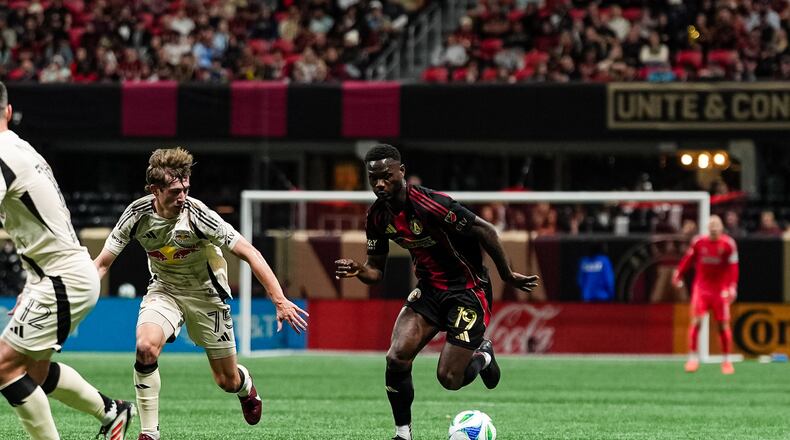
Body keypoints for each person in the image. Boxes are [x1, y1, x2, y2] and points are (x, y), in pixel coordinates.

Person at [93, 147, 308, 440]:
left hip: (207, 296)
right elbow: (102, 264)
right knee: (145, 347)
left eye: (185, 189)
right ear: (155, 190)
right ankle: (149, 433)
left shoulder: (199, 216)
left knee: (226, 381)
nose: (182, 197)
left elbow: (249, 252)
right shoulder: (136, 214)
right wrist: (74, 295)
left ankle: (246, 387)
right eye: (175, 191)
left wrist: (279, 299)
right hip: (164, 290)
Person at [334, 144, 538, 440]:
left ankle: (483, 356)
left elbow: (486, 230)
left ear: (401, 172)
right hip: (429, 290)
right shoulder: (377, 217)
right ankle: (403, 435)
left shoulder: (431, 205)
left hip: (468, 290)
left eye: (386, 176)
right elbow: (376, 271)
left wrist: (506, 274)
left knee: (449, 379)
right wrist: (359, 269)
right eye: (373, 178)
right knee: (396, 358)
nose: (379, 184)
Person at [0, 81, 135, 440]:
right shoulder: (22, 149)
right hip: (62, 274)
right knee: (35, 373)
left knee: (4, 367)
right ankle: (112, 411)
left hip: (62, 278)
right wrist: (31, 284)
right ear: (9, 112)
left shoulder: (1, 154)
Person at [672, 215, 738, 375]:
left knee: (722, 324)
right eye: (711, 225)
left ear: (721, 227)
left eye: (717, 224)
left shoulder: (728, 244)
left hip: (719, 290)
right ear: (707, 227)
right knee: (696, 322)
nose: (714, 227)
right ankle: (693, 359)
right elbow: (688, 259)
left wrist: (732, 286)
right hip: (701, 289)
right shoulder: (699, 242)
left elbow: (733, 267)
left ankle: (726, 361)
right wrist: (678, 273)